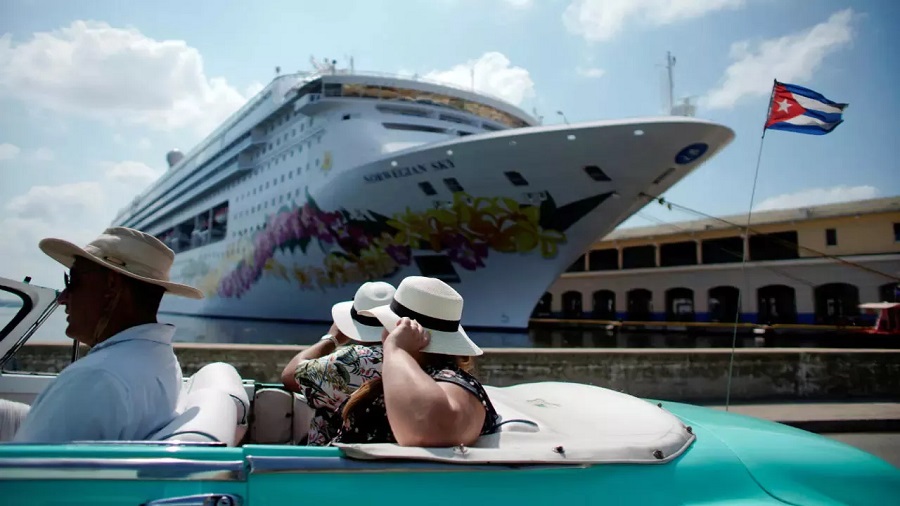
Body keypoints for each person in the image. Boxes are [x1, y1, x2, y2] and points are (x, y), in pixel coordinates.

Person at [11, 226, 203, 443]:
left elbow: (23, 474)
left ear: (111, 286)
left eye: (72, 282)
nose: (62, 298)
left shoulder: (94, 379)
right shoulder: (159, 359)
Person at [332, 276, 499, 447]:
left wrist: (396, 349)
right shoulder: (441, 375)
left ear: (399, 331)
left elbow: (430, 431)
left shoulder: (451, 380)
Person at [281, 281, 394, 445]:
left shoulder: (350, 361)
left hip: (336, 459)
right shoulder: (413, 358)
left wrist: (331, 338)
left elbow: (290, 375)